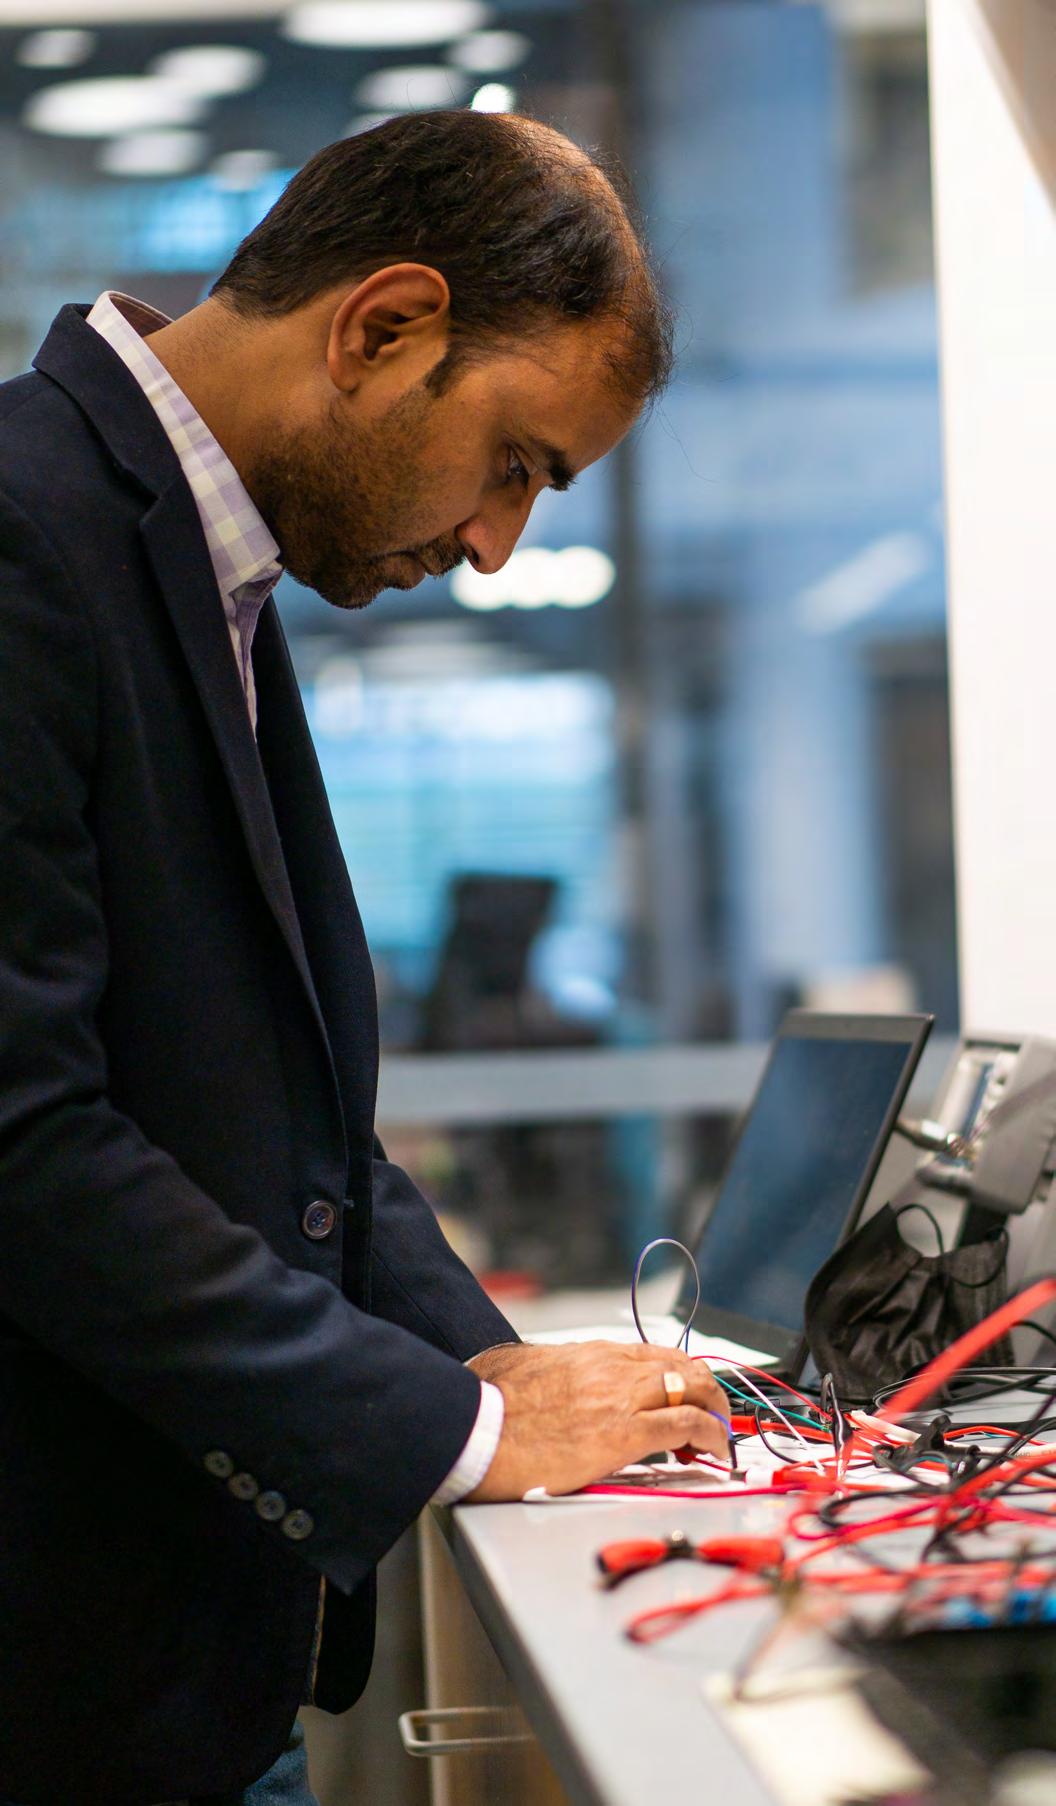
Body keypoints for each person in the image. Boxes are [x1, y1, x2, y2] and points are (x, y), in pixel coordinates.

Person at [0, 110, 728, 1806]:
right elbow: (25, 1137)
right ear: (383, 326)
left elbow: (284, 1118)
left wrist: (490, 1361)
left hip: (180, 1662)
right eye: (516, 462)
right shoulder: (27, 530)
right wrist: (457, 1428)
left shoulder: (197, 565)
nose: (496, 544)